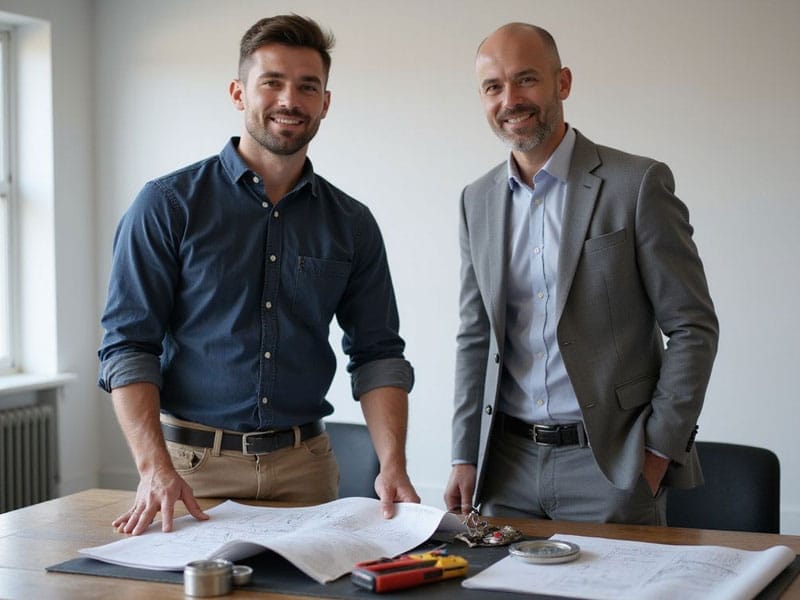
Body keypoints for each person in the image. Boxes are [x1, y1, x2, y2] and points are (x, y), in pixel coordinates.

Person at [98, 14, 419, 536]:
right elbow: (128, 346)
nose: (289, 99)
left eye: (307, 86)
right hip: (191, 474)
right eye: (272, 81)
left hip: (308, 471)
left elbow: (378, 353)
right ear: (238, 92)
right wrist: (154, 467)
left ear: (325, 103)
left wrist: (393, 464)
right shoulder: (167, 206)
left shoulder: (352, 223)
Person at [444, 23, 718, 525]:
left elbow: (692, 327)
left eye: (526, 79)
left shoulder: (636, 184)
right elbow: (475, 336)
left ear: (562, 83)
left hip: (612, 467)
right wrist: (465, 455)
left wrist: (656, 454)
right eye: (493, 86)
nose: (510, 99)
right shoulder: (476, 200)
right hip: (504, 468)